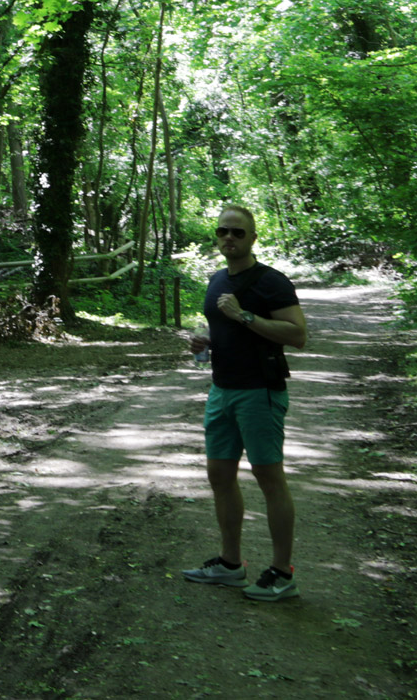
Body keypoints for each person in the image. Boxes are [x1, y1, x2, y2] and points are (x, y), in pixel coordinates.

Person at [180, 204, 308, 602]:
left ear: (253, 238)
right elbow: (227, 332)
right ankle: (230, 564)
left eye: (238, 232)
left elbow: (297, 334)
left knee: (270, 480)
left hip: (260, 390)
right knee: (219, 476)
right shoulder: (216, 280)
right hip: (222, 389)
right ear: (216, 238)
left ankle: (281, 572)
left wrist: (244, 316)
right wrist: (206, 342)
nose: (230, 238)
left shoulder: (271, 282)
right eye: (223, 232)